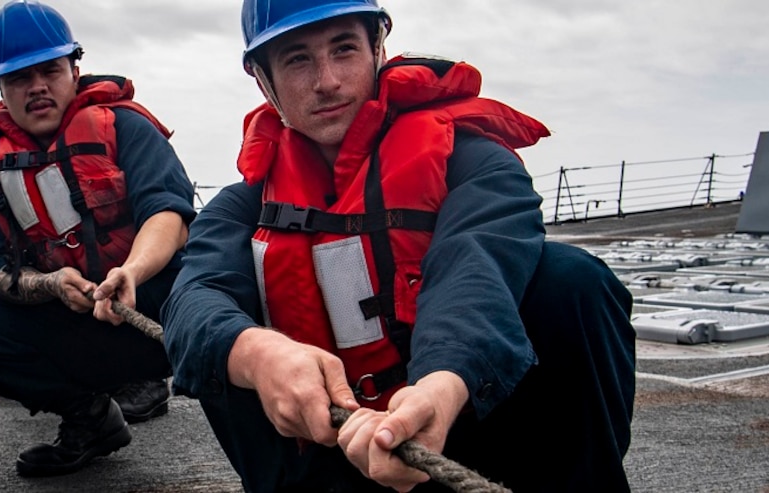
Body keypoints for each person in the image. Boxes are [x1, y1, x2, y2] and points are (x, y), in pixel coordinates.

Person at [161, 1, 636, 491]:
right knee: (219, 340)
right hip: (323, 451)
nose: (327, 80)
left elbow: (475, 265)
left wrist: (442, 385)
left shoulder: (473, 162)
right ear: (263, 80)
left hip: (453, 424)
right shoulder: (242, 207)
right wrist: (257, 356)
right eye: (297, 60)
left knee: (573, 280)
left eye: (343, 49)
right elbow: (194, 297)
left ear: (378, 49)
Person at [0, 0, 194, 478]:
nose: (36, 87)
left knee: (222, 310)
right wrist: (49, 285)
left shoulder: (125, 126)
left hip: (153, 301)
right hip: (70, 306)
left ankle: (180, 393)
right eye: (17, 78)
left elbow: (169, 214)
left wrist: (131, 271)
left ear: (74, 68)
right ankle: (90, 418)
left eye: (49, 70)